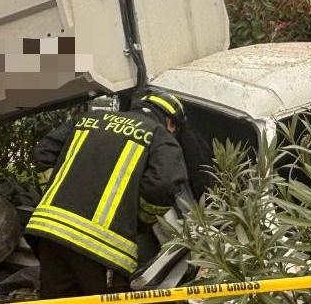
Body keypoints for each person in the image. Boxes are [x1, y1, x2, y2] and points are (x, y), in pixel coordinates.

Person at [26, 89, 189, 297]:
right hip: (101, 247)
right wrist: (142, 219)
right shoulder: (159, 135)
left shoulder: (89, 119)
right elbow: (164, 183)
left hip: (49, 232)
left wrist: (56, 193)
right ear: (172, 123)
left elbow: (44, 152)